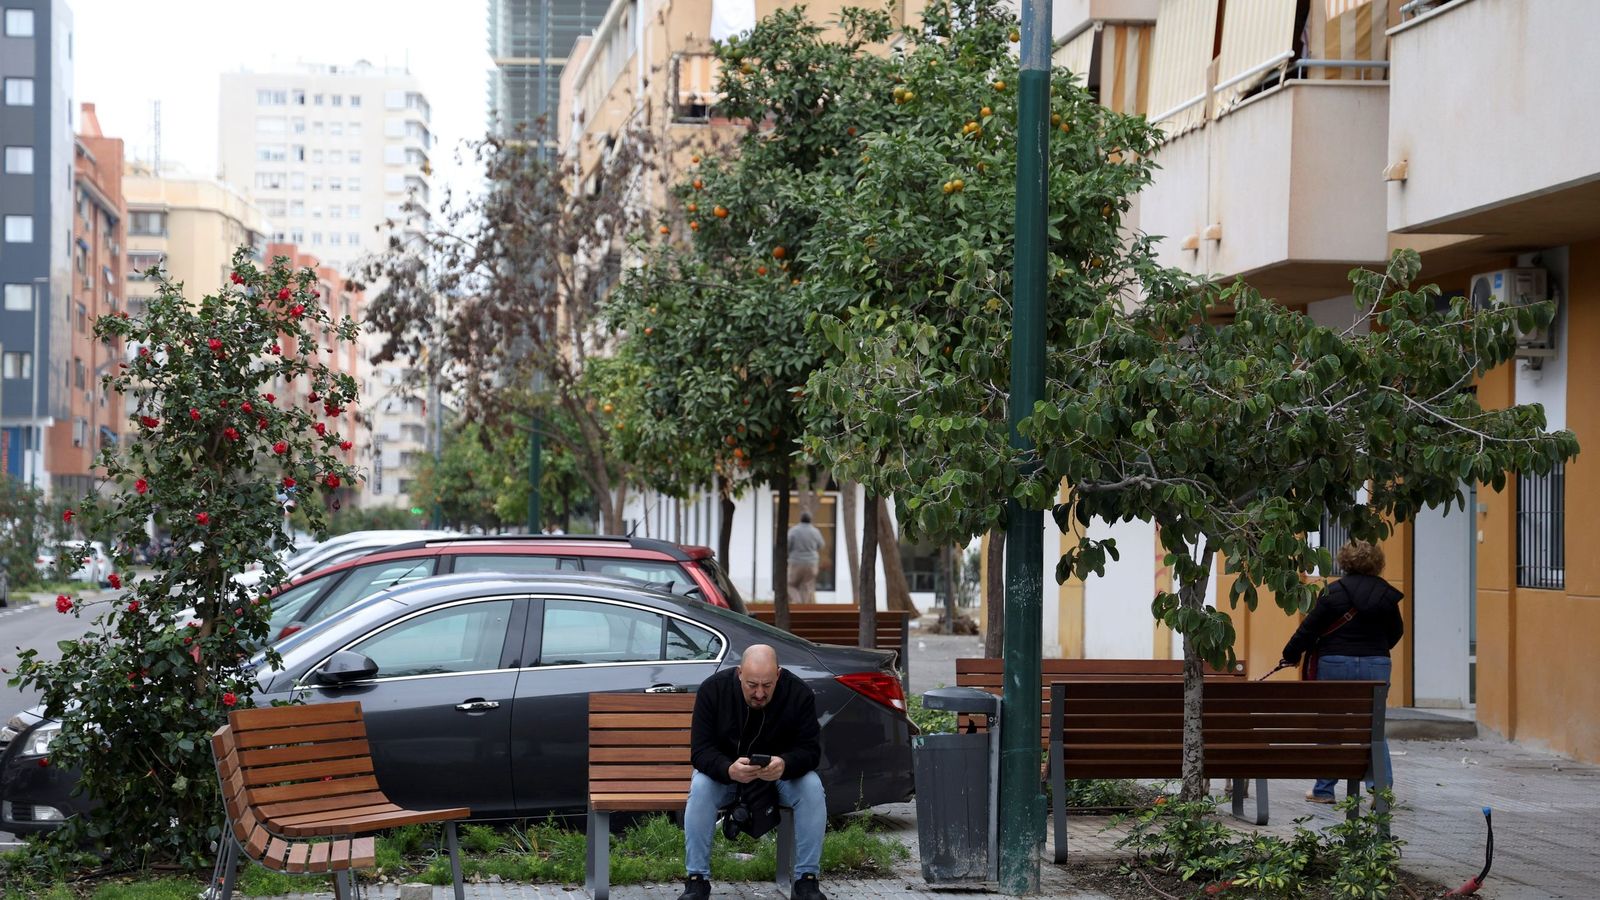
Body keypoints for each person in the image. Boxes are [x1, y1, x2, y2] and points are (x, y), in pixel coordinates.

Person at [681, 644, 828, 900]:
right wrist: (727, 769)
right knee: (701, 786)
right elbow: (700, 751)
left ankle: (807, 881)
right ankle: (697, 880)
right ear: (739, 673)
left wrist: (785, 764)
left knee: (812, 787)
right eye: (752, 685)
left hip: (779, 777)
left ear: (778, 675)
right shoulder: (712, 690)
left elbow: (811, 751)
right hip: (727, 775)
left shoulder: (799, 693)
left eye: (767, 685)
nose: (759, 693)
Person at [1279, 539, 1404, 804]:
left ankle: (1324, 789)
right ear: (1377, 563)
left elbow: (1308, 629)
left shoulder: (1333, 593)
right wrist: (1375, 649)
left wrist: (1290, 655)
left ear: (1344, 561)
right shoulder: (1387, 595)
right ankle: (1380, 789)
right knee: (1374, 727)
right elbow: (1396, 632)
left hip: (1334, 662)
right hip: (1376, 664)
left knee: (1331, 726)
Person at [786, 512, 825, 604]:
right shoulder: (815, 531)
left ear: (801, 519)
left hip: (796, 562)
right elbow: (821, 545)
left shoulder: (793, 530)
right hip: (812, 563)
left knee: (790, 585)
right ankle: (805, 607)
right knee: (807, 585)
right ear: (810, 520)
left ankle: (797, 603)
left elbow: (787, 545)